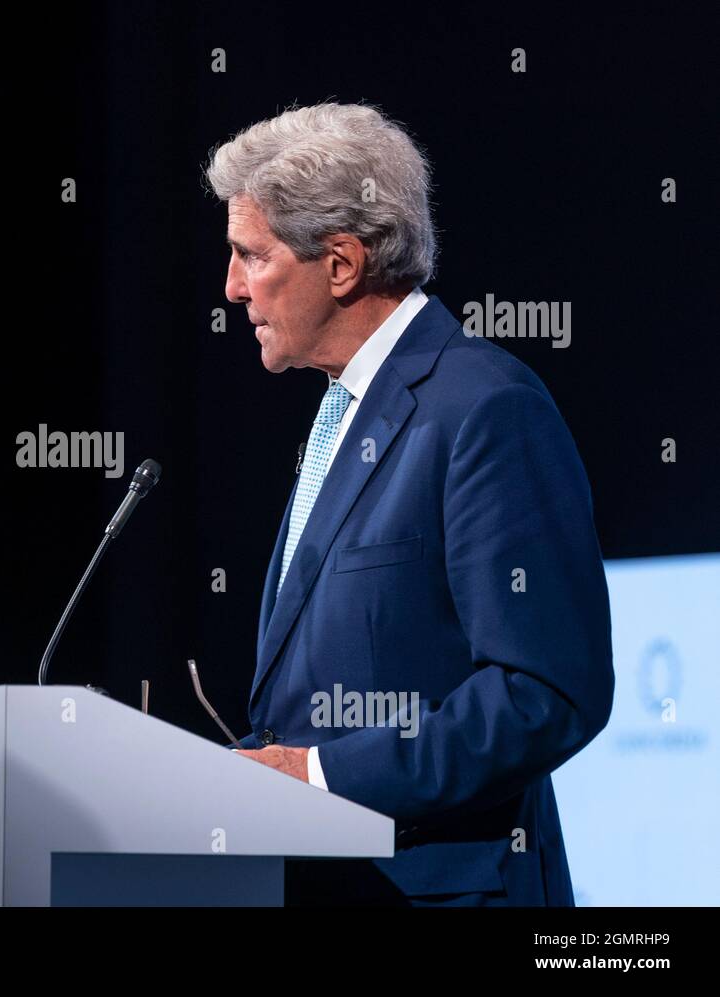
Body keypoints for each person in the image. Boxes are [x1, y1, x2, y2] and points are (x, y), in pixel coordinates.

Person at [205, 102, 613, 906]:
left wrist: (320, 773)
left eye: (250, 255)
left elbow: (548, 691)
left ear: (342, 264)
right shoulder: (341, 412)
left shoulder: (485, 408)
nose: (230, 287)